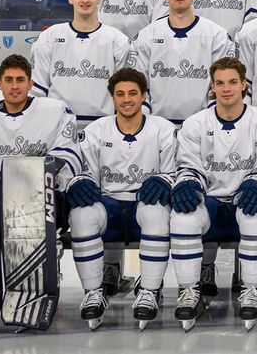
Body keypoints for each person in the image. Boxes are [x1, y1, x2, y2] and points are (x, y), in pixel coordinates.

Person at [168, 57, 257, 331]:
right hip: (210, 201)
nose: (226, 88)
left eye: (233, 82)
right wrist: (188, 182)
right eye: (219, 83)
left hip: (245, 198)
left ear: (244, 85)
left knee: (256, 213)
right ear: (212, 87)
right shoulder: (195, 123)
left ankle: (253, 288)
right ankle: (189, 289)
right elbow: (187, 165)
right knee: (183, 216)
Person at [64, 68, 178, 330]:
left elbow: (174, 172)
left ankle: (149, 290)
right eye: (120, 94)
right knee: (81, 214)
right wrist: (79, 183)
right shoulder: (95, 131)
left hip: (143, 203)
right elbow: (85, 175)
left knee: (157, 212)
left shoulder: (162, 129)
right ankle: (93, 292)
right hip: (110, 204)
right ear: (112, 98)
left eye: (133, 93)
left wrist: (164, 180)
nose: (127, 99)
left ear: (144, 96)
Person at [0, 54, 83, 192]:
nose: (15, 86)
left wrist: (41, 175)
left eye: (20, 80)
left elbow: (67, 155)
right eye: (9, 80)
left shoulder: (56, 111)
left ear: (30, 84)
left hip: (38, 194)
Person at [127, 0, 236, 126]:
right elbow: (138, 84)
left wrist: (211, 122)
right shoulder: (147, 36)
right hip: (156, 126)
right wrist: (147, 124)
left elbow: (222, 86)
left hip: (203, 126)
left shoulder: (216, 35)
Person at [30, 0, 130, 127]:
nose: (85, 0)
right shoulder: (49, 37)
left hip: (102, 127)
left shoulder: (117, 40)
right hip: (57, 125)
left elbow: (124, 92)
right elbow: (38, 91)